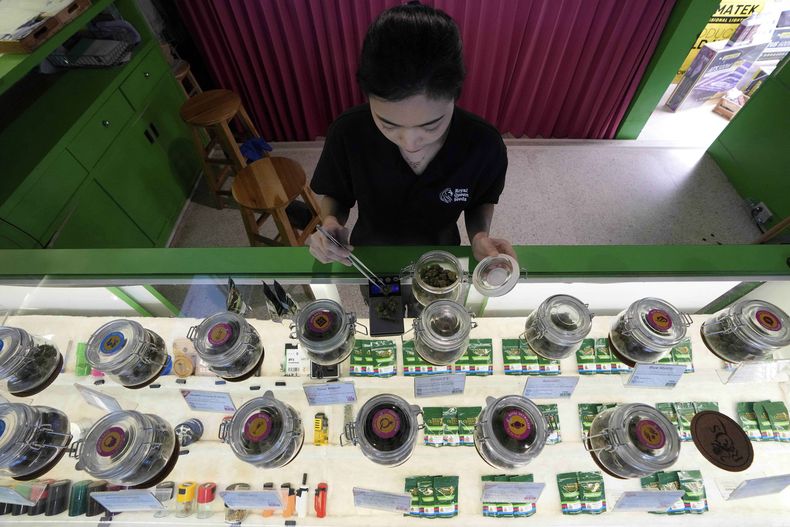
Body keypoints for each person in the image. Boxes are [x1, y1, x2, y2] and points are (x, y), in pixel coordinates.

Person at [308, 1, 516, 267]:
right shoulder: (348, 132)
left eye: (430, 126)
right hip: (371, 253)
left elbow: (480, 199)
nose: (410, 144)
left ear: (454, 95)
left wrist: (479, 235)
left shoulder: (483, 144)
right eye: (388, 125)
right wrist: (330, 223)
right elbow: (337, 194)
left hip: (441, 254)